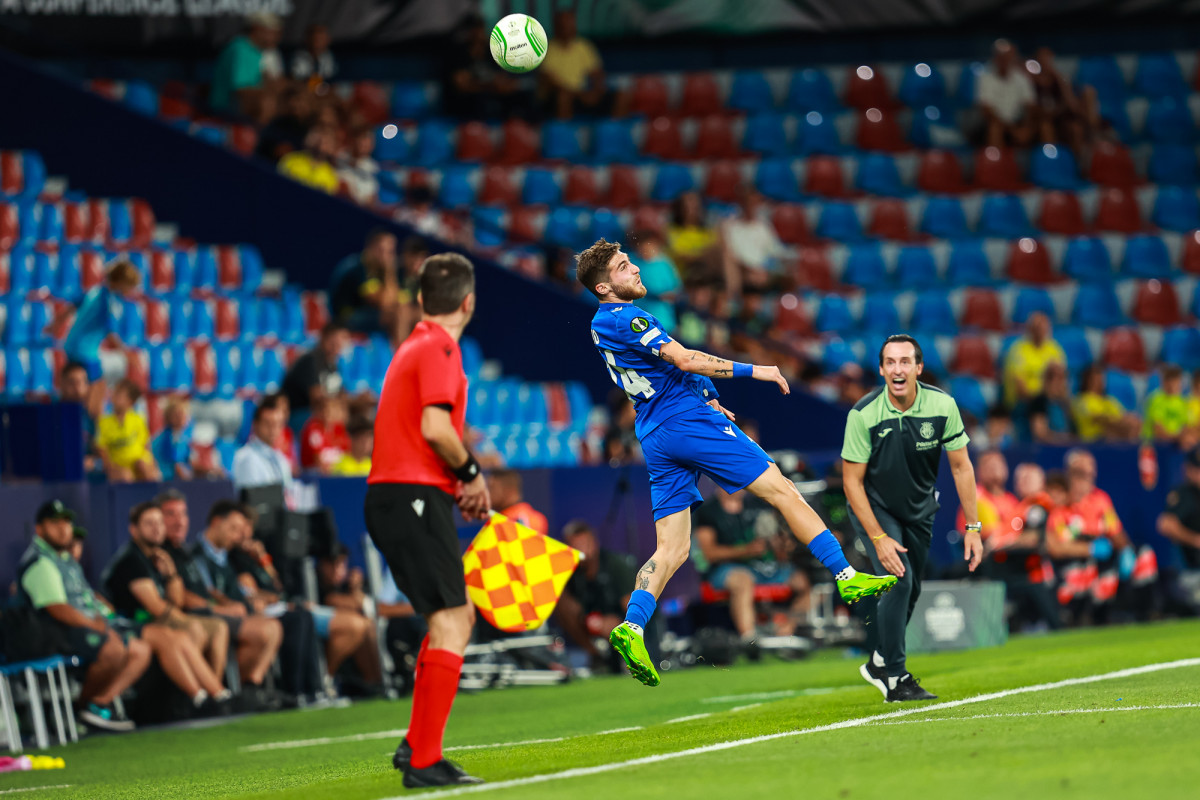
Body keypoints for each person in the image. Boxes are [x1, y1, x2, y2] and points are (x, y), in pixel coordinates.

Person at [577, 237, 896, 690]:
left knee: (673, 549)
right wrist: (756, 370)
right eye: (624, 266)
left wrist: (708, 397)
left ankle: (632, 625)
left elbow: (662, 370)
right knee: (782, 489)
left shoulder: (601, 324)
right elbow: (684, 359)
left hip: (655, 433)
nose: (636, 269)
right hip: (686, 421)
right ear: (604, 287)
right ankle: (846, 576)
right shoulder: (630, 316)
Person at [364, 252, 489, 787]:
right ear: (468, 302)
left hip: (403, 495)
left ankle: (417, 745)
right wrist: (471, 473)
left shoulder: (414, 345)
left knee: (453, 617)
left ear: (420, 299)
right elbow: (435, 428)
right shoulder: (439, 347)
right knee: (452, 621)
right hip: (410, 495)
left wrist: (452, 482)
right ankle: (423, 761)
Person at [841, 334, 983, 703]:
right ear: (881, 369)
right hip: (875, 508)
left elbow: (962, 467)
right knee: (899, 581)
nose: (898, 369)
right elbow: (851, 483)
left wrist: (973, 528)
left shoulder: (942, 405)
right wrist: (877, 537)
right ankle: (896, 678)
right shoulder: (863, 414)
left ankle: (878, 661)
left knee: (912, 590)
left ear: (918, 368)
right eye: (890, 362)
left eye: (905, 361)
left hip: (919, 510)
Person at [15, 500, 148, 732]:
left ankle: (98, 704)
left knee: (141, 649)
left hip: (76, 627)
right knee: (113, 648)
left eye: (66, 523)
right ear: (39, 529)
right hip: (50, 634)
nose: (63, 529)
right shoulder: (39, 561)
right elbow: (56, 608)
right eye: (55, 523)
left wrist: (101, 617)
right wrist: (92, 624)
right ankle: (81, 708)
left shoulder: (65, 560)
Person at [101, 502, 231, 709]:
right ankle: (192, 698)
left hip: (154, 622)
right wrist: (186, 620)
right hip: (130, 625)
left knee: (219, 626)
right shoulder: (131, 560)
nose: (157, 528)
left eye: (160, 523)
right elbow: (156, 608)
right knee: (192, 628)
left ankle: (212, 694)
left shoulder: (157, 557)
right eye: (149, 523)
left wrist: (171, 574)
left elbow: (175, 602)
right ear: (134, 530)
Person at [158, 492, 284, 698]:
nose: (179, 521)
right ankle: (218, 693)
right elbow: (184, 598)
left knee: (273, 626)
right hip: (193, 615)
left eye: (183, 514)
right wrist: (219, 608)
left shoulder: (183, 553)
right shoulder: (172, 554)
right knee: (225, 628)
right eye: (170, 514)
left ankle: (242, 690)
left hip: (207, 612)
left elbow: (273, 588)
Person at [693, 487, 811, 648]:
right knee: (743, 580)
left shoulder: (758, 506)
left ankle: (787, 629)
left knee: (802, 581)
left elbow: (780, 548)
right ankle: (749, 641)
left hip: (763, 567)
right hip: (725, 569)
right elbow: (709, 554)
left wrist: (781, 545)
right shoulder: (708, 511)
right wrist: (746, 550)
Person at [554, 520, 636, 671]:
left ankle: (630, 656)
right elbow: (567, 609)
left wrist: (622, 626)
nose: (582, 551)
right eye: (575, 546)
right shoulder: (570, 573)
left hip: (619, 621)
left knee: (610, 623)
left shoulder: (615, 564)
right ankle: (597, 657)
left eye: (584, 544)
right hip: (588, 622)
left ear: (595, 543)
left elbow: (631, 607)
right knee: (561, 602)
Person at [60, 259, 140, 409]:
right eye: (130, 286)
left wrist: (56, 324)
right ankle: (90, 422)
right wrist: (127, 354)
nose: (131, 290)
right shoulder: (108, 301)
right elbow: (110, 333)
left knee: (82, 387)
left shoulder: (95, 291)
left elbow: (73, 305)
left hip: (71, 345)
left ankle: (82, 416)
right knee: (97, 389)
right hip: (85, 351)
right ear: (121, 283)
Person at [314, 545, 384, 692]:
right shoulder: (313, 582)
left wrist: (356, 590)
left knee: (368, 626)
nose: (337, 570)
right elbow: (331, 601)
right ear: (321, 565)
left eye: (341, 564)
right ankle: (325, 679)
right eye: (332, 564)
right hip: (324, 630)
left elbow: (367, 607)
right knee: (357, 624)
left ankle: (374, 683)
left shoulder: (348, 584)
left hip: (346, 633)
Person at [538, 10, 629, 120]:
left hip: (581, 94)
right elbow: (549, 80)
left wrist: (595, 91)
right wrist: (576, 93)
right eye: (563, 24)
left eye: (570, 24)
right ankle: (564, 130)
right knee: (563, 97)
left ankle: (613, 129)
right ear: (556, 27)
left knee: (622, 95)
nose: (567, 27)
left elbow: (597, 74)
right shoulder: (547, 49)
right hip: (557, 97)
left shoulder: (584, 46)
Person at [442, 14, 534, 120]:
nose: (481, 34)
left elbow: (501, 78)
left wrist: (507, 85)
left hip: (491, 95)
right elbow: (462, 86)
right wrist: (490, 86)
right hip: (466, 102)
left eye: (482, 29)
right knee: (479, 100)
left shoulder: (490, 52)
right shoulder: (458, 53)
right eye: (477, 30)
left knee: (520, 97)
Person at [329, 228, 404, 344]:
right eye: (382, 250)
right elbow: (384, 303)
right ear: (371, 248)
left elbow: (395, 301)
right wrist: (390, 272)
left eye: (391, 252)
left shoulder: (377, 268)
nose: (387, 256)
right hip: (344, 318)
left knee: (409, 312)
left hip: (365, 313)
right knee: (395, 315)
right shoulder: (358, 267)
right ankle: (400, 352)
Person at [210, 13, 282, 125]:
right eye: (272, 33)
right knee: (267, 102)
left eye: (278, 33)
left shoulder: (264, 51)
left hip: (242, 110)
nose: (276, 38)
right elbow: (242, 91)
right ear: (257, 29)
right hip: (225, 112)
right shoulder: (240, 49)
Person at [723, 186, 788, 293]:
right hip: (744, 271)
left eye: (754, 203)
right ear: (741, 203)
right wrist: (751, 269)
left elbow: (775, 250)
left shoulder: (763, 226)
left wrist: (767, 268)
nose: (751, 207)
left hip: (764, 270)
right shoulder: (731, 226)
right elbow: (731, 255)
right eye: (748, 203)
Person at [95, 378, 162, 483]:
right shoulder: (104, 422)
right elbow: (101, 449)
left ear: (130, 401)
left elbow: (146, 445)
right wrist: (110, 467)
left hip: (139, 462)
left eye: (118, 395)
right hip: (119, 465)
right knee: (125, 475)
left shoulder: (138, 419)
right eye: (114, 393)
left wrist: (153, 465)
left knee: (143, 466)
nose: (113, 397)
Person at [976, 39, 1036, 148]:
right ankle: (996, 158)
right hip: (996, 123)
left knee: (1039, 126)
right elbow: (987, 111)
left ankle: (1045, 157)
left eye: (1008, 57)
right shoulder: (986, 78)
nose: (1005, 61)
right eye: (1001, 57)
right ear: (995, 58)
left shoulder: (1022, 78)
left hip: (1017, 122)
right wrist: (1011, 129)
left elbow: (1030, 106)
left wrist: (1027, 126)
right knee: (994, 128)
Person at [231, 396, 294, 493]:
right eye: (267, 423)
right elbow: (252, 497)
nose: (273, 429)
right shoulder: (246, 458)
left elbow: (289, 493)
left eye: (278, 424)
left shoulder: (280, 458)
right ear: (255, 424)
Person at [1003, 311, 1065, 409]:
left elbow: (1060, 380)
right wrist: (1038, 399)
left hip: (1049, 400)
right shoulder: (1018, 349)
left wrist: (1050, 395)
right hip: (1024, 402)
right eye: (1037, 328)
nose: (1040, 331)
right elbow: (1019, 386)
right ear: (1030, 329)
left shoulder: (1054, 350)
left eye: (1043, 328)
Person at [631, 230, 682, 333]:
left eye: (649, 246)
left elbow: (676, 288)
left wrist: (669, 295)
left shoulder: (665, 264)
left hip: (664, 321)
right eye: (642, 247)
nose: (645, 250)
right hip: (639, 321)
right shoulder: (632, 264)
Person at [1159, 446, 1200, 570]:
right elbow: (1165, 524)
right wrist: (1195, 540)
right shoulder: (1183, 494)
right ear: (1187, 469)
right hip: (1193, 568)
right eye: (1197, 469)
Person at [1074, 363, 1138, 442]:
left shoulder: (1109, 400)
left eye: (1101, 378)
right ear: (1088, 380)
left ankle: (1131, 446)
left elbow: (1123, 415)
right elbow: (1097, 418)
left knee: (1133, 422)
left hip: (1115, 434)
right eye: (1096, 378)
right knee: (1111, 431)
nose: (1100, 381)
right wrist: (1114, 421)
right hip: (1093, 439)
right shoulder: (1082, 400)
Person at [58, 361, 104, 471]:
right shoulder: (51, 416)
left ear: (87, 386)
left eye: (82, 382)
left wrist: (94, 463)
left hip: (88, 475)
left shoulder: (93, 416)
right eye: (72, 382)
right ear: (62, 384)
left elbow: (106, 457)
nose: (77, 387)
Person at [278, 125, 340, 194]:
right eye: (319, 139)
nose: (321, 144)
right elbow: (278, 184)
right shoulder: (291, 159)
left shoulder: (331, 176)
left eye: (327, 142)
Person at [486, 469, 548, 536]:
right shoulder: (537, 518)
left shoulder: (508, 522)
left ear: (508, 490)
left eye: (491, 488)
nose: (487, 494)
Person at [299, 394, 350, 473]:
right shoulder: (313, 429)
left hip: (335, 471)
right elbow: (318, 462)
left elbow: (347, 455)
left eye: (332, 409)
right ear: (317, 411)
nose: (328, 413)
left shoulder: (339, 428)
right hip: (314, 472)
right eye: (324, 409)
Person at [1028, 362, 1077, 444]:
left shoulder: (1065, 403)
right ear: (1047, 380)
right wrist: (1063, 439)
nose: (1061, 383)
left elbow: (1073, 431)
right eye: (1058, 378)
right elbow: (1040, 433)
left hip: (1066, 445)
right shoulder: (1039, 402)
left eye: (1063, 378)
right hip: (1048, 447)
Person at [152, 397, 197, 480]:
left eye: (183, 413)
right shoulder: (162, 439)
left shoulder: (187, 437)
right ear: (168, 418)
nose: (180, 417)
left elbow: (191, 461)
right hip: (167, 479)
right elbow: (175, 466)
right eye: (176, 414)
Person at [1143, 365, 1190, 444]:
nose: (1174, 386)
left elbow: (1185, 426)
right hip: (1155, 443)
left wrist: (1181, 437)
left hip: (1176, 442)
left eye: (1177, 383)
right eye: (1171, 383)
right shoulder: (1156, 399)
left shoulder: (1182, 401)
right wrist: (1176, 438)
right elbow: (1157, 428)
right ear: (1164, 383)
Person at [338, 126, 380, 206]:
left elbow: (372, 197)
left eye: (370, 140)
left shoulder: (373, 167)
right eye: (363, 138)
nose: (366, 143)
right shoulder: (341, 156)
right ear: (354, 140)